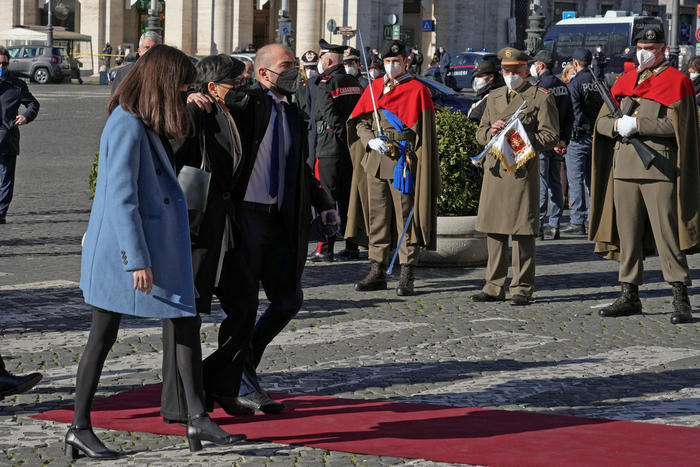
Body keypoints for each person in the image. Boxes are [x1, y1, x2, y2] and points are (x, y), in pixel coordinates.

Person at [68, 45, 246, 460]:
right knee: (103, 335)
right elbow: (121, 197)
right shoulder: (126, 124)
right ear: (163, 81)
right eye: (182, 82)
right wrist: (137, 260)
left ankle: (197, 416)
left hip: (154, 247)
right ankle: (79, 426)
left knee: (185, 318)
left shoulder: (144, 121)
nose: (187, 88)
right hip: (125, 252)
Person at [201, 43, 336, 415]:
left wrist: (323, 204)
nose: (295, 71)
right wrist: (198, 95)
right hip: (245, 218)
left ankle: (229, 369)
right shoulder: (250, 104)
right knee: (242, 306)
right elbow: (216, 104)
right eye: (287, 66)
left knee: (288, 300)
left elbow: (300, 167)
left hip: (281, 218)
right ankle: (239, 381)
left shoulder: (292, 111)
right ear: (263, 74)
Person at [590, 25, 700, 325]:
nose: (644, 52)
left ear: (663, 49)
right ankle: (629, 293)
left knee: (668, 235)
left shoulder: (677, 83)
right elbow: (600, 123)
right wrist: (616, 126)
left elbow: (680, 129)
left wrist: (639, 124)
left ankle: (680, 296)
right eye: (640, 47)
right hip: (624, 168)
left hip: (659, 169)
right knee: (628, 235)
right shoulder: (624, 81)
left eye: (650, 49)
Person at [161, 54, 248, 424]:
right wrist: (182, 104)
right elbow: (169, 160)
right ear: (212, 87)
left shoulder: (233, 111)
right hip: (195, 228)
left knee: (243, 307)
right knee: (185, 315)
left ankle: (218, 383)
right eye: (236, 82)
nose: (244, 88)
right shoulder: (195, 113)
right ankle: (179, 402)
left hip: (225, 227)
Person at [346, 40, 440, 296]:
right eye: (387, 62)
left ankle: (407, 271)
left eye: (395, 62)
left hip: (403, 162)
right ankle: (377, 268)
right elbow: (360, 123)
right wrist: (370, 141)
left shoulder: (417, 90)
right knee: (377, 216)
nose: (391, 66)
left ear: (406, 61)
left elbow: (423, 134)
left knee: (404, 218)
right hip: (376, 161)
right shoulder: (374, 88)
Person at [471, 47, 559, 306]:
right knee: (494, 230)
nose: (510, 75)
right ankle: (493, 285)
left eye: (515, 70)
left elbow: (550, 136)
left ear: (526, 69)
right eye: (506, 70)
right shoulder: (495, 95)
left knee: (522, 231)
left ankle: (521, 286)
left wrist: (518, 138)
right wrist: (491, 133)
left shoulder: (540, 97)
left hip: (520, 171)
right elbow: (480, 131)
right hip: (495, 171)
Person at [308, 39, 363, 262]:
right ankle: (352, 246)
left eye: (321, 58)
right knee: (349, 198)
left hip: (330, 146)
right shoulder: (354, 82)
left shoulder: (325, 82)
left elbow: (330, 118)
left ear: (327, 59)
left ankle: (325, 247)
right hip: (352, 148)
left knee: (327, 198)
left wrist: (340, 136)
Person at [530, 50, 573, 240]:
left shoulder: (541, 87)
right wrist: (563, 139)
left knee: (541, 183)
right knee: (555, 182)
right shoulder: (561, 85)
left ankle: (539, 224)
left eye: (534, 64)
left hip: (544, 141)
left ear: (540, 65)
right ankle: (554, 224)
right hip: (558, 141)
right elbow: (569, 116)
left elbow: (538, 118)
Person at [563, 47, 603, 236]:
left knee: (575, 179)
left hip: (579, 136)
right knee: (591, 180)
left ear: (576, 63)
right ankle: (594, 217)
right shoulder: (598, 81)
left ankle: (577, 220)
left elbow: (575, 112)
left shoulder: (575, 83)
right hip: (596, 135)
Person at [0, 47, 40, 225]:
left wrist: (26, 116)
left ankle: (1, 212)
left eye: (5, 64)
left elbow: (33, 104)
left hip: (7, 138)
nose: (2, 66)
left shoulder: (17, 85)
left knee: (6, 178)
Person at [297, 50, 321, 168]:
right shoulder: (299, 84)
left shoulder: (320, 83)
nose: (310, 71)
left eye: (313, 67)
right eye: (308, 68)